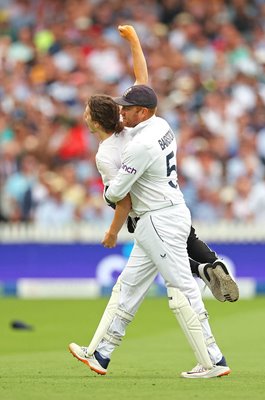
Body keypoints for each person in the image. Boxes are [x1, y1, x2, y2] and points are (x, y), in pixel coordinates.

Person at [69, 26, 234, 379]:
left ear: (140, 112)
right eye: (122, 108)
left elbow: (118, 195)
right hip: (164, 215)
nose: (123, 111)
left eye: (129, 108)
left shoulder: (132, 147)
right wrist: (134, 43)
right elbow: (142, 82)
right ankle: (101, 352)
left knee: (182, 292)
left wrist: (106, 196)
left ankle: (213, 361)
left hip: (157, 219)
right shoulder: (155, 124)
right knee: (127, 288)